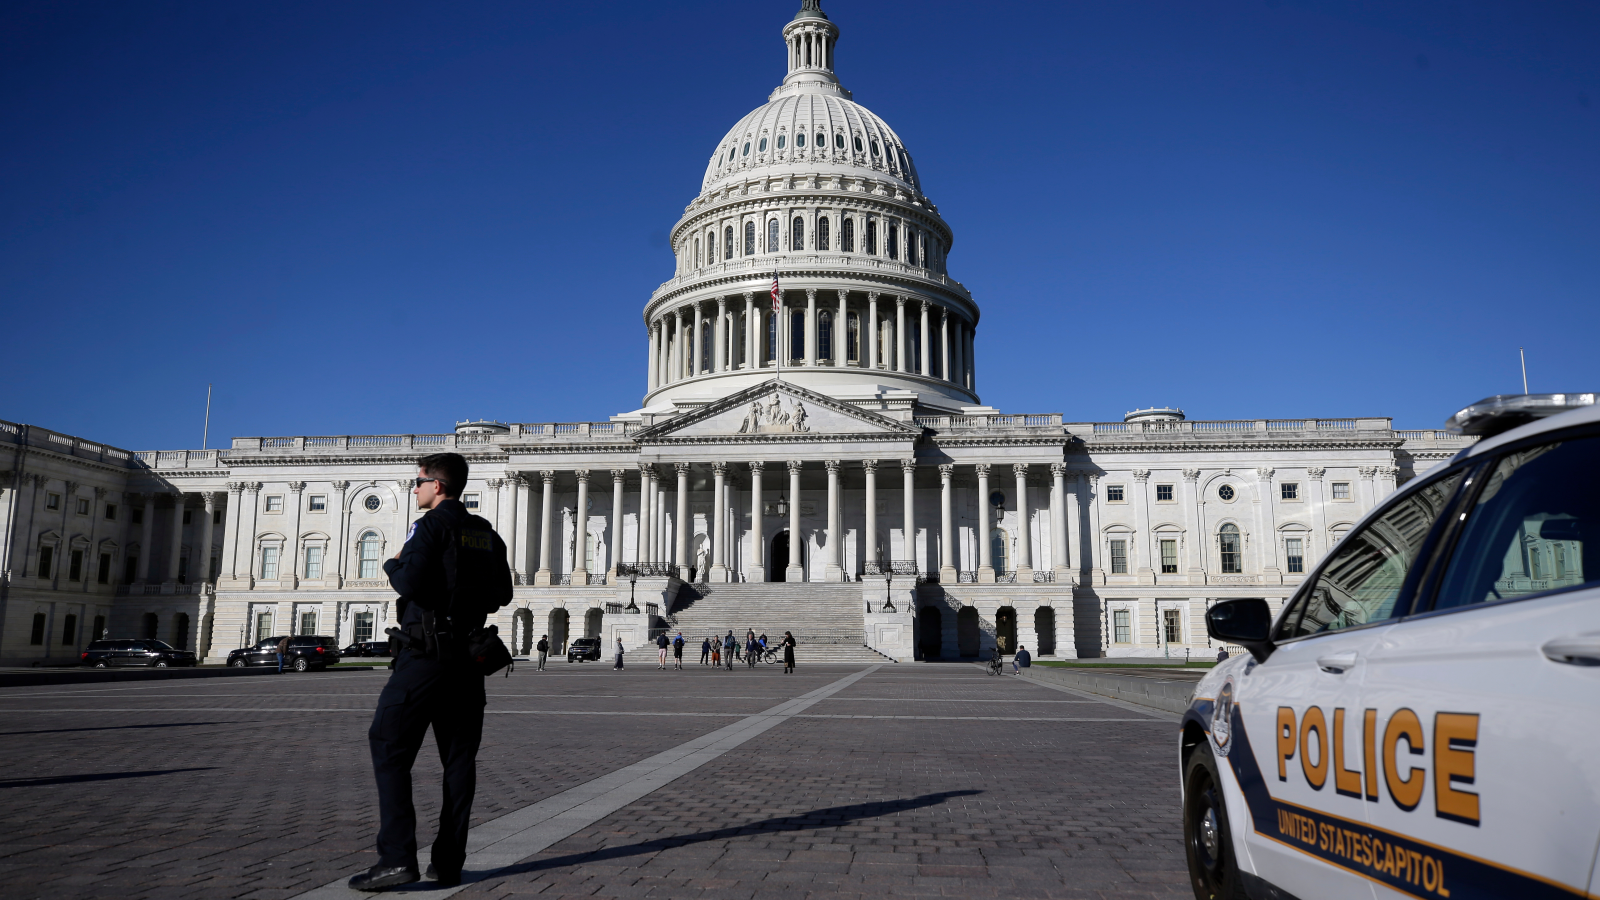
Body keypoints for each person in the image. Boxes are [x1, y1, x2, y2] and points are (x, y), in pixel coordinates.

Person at [350, 452, 512, 892]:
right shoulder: (485, 533)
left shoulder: (430, 527)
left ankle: (396, 858)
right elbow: (502, 593)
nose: (414, 488)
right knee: (459, 762)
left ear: (437, 486)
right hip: (469, 659)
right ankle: (449, 861)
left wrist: (393, 562)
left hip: (425, 656)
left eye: (417, 481)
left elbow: (410, 583)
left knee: (388, 745)